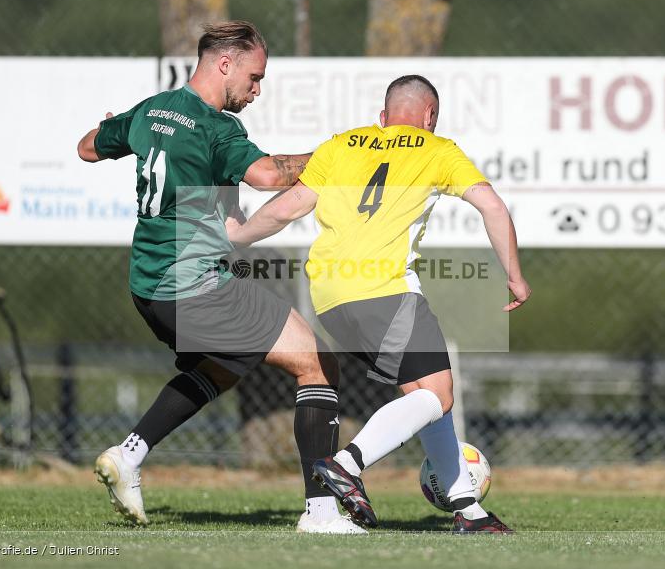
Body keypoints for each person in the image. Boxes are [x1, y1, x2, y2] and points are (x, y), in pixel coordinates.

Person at [77, 21, 363, 534]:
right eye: (254, 78)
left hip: (149, 287)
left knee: (225, 367)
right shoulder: (217, 128)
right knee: (319, 364)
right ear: (224, 65)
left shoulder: (150, 111)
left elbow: (88, 147)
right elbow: (271, 175)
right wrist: (339, 154)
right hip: (193, 286)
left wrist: (114, 128)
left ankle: (129, 456)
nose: (257, 90)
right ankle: (321, 512)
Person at [227, 74, 531, 534]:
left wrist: (238, 236)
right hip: (384, 289)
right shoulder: (438, 149)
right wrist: (514, 274)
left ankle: (468, 509)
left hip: (329, 296)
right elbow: (491, 206)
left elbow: (289, 207)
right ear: (430, 116)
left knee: (426, 396)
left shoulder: (341, 144)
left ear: (384, 118)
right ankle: (347, 463)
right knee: (439, 393)